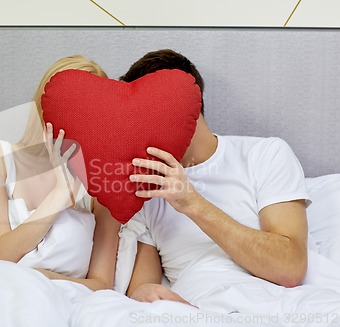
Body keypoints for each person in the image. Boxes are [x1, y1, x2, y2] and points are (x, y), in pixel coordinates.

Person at [122, 49, 310, 306]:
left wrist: (193, 204)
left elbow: (290, 268)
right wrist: (147, 294)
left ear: (188, 105)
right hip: (194, 311)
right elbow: (143, 288)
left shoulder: (264, 154)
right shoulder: (150, 186)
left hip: (271, 305)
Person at [0, 55, 120, 291]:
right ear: (44, 105)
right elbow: (0, 255)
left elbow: (101, 284)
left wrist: (43, 279)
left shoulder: (102, 190)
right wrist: (60, 194)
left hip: (62, 301)